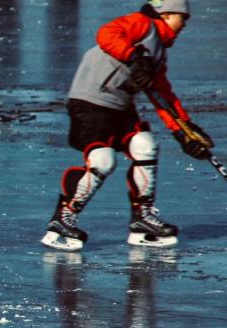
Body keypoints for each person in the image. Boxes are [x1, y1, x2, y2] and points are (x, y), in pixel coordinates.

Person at [41, 0, 213, 251]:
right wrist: (133, 57)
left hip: (120, 106)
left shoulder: (158, 52)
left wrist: (183, 130)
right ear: (167, 14)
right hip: (91, 100)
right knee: (103, 160)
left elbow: (161, 94)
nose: (185, 24)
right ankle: (63, 217)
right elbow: (106, 34)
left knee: (145, 145)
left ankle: (141, 219)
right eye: (183, 18)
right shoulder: (142, 24)